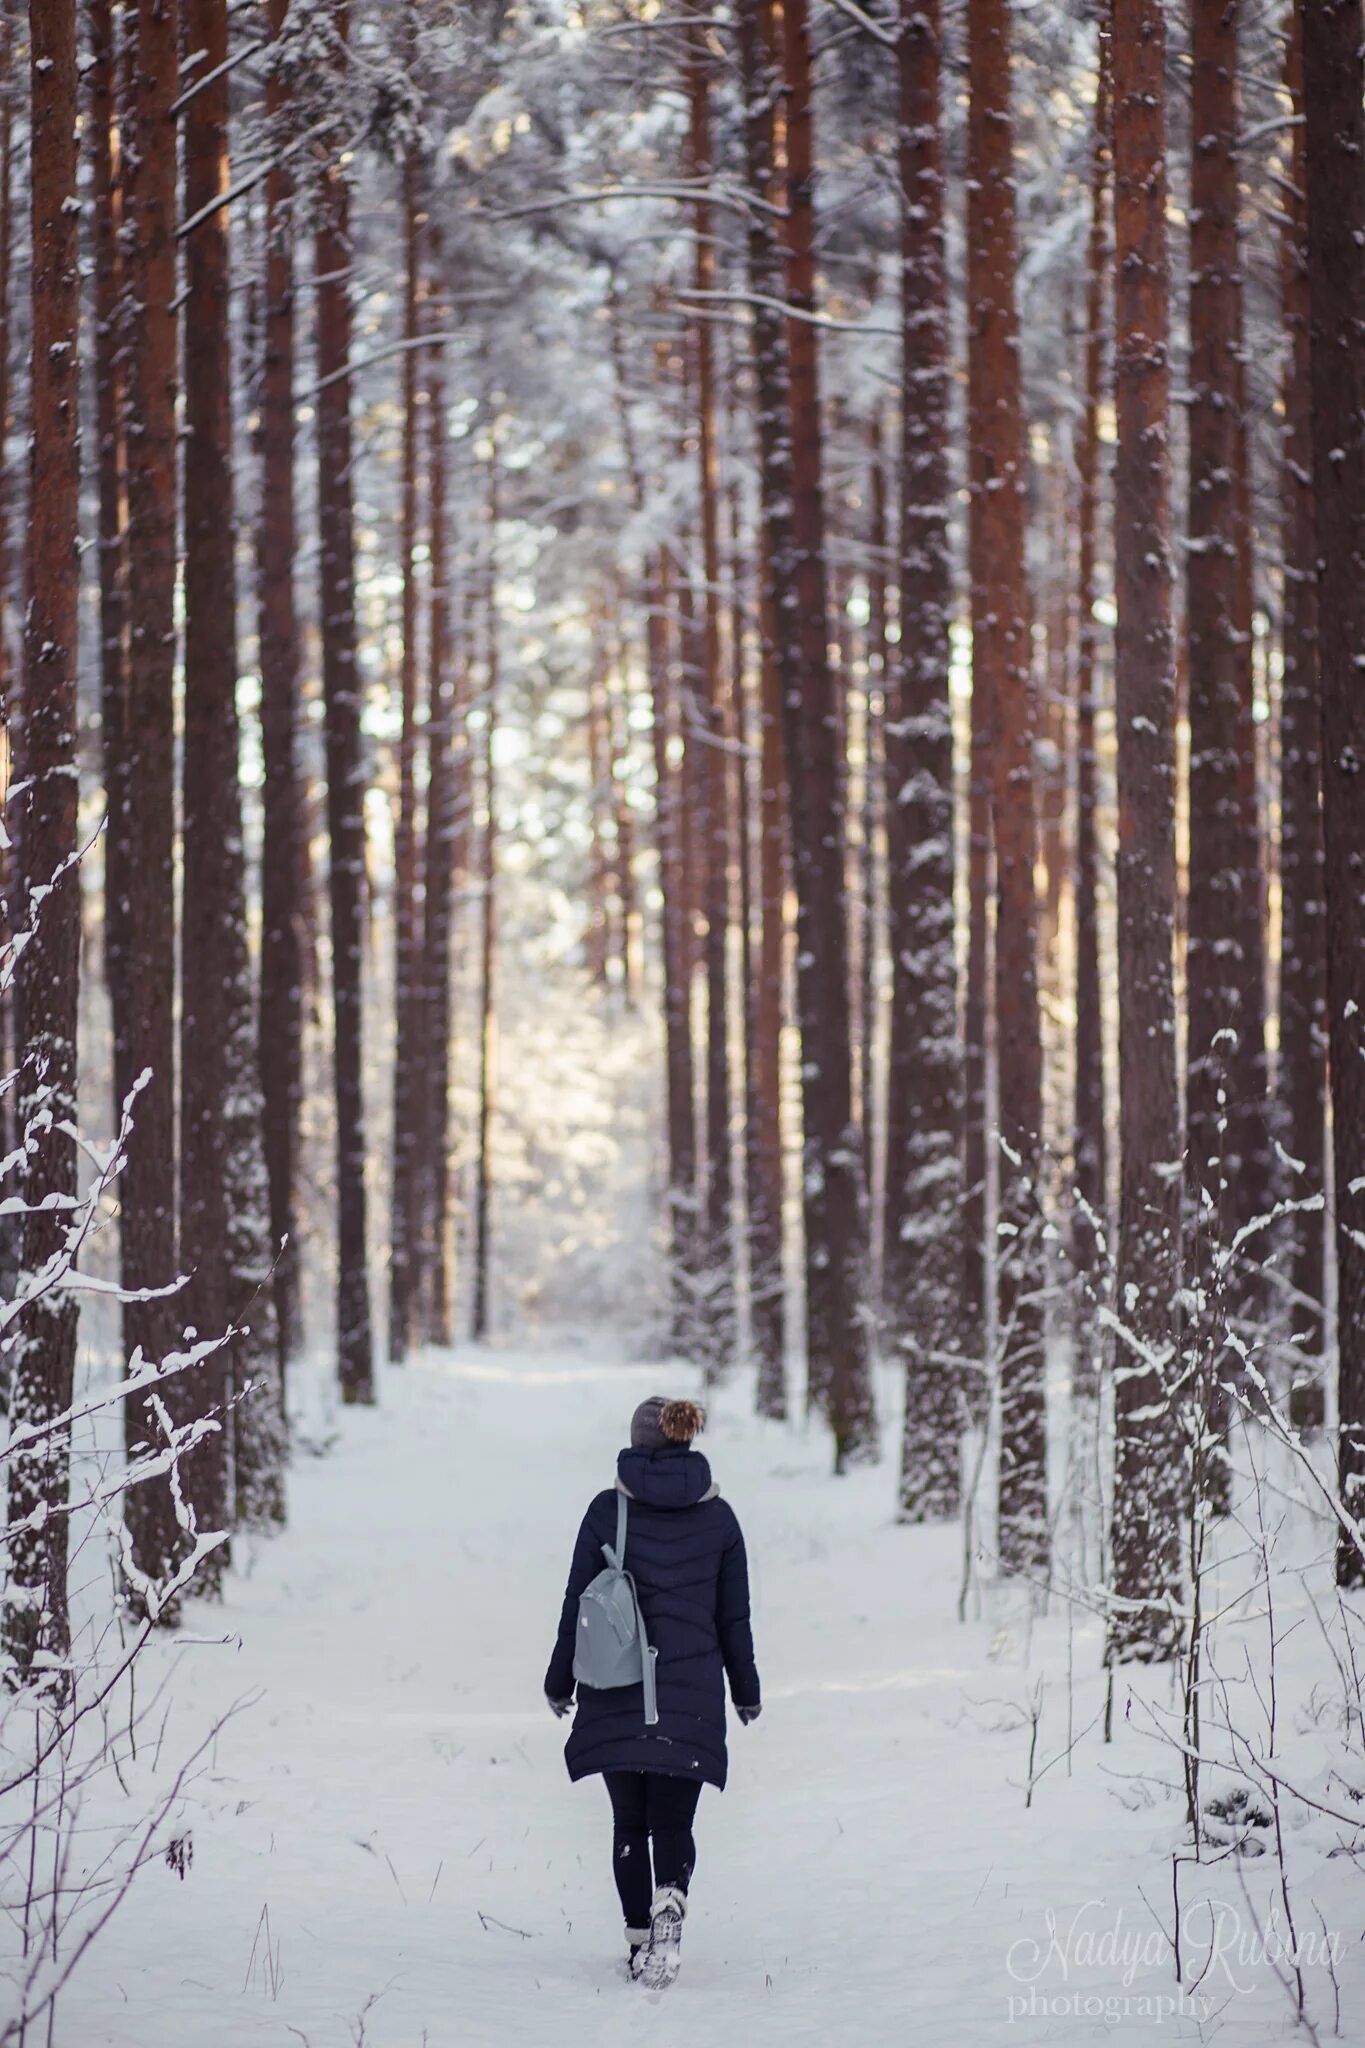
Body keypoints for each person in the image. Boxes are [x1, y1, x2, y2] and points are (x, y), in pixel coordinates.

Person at [544, 1394, 761, 1988]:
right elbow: (732, 1618)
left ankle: (640, 1943)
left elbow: (577, 1607)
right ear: (688, 1441)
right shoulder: (720, 1518)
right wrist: (745, 1689)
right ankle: (672, 1900)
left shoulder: (603, 1511)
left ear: (639, 1443)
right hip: (688, 1699)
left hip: (616, 1689)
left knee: (627, 1824)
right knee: (672, 1823)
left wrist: (558, 1680)